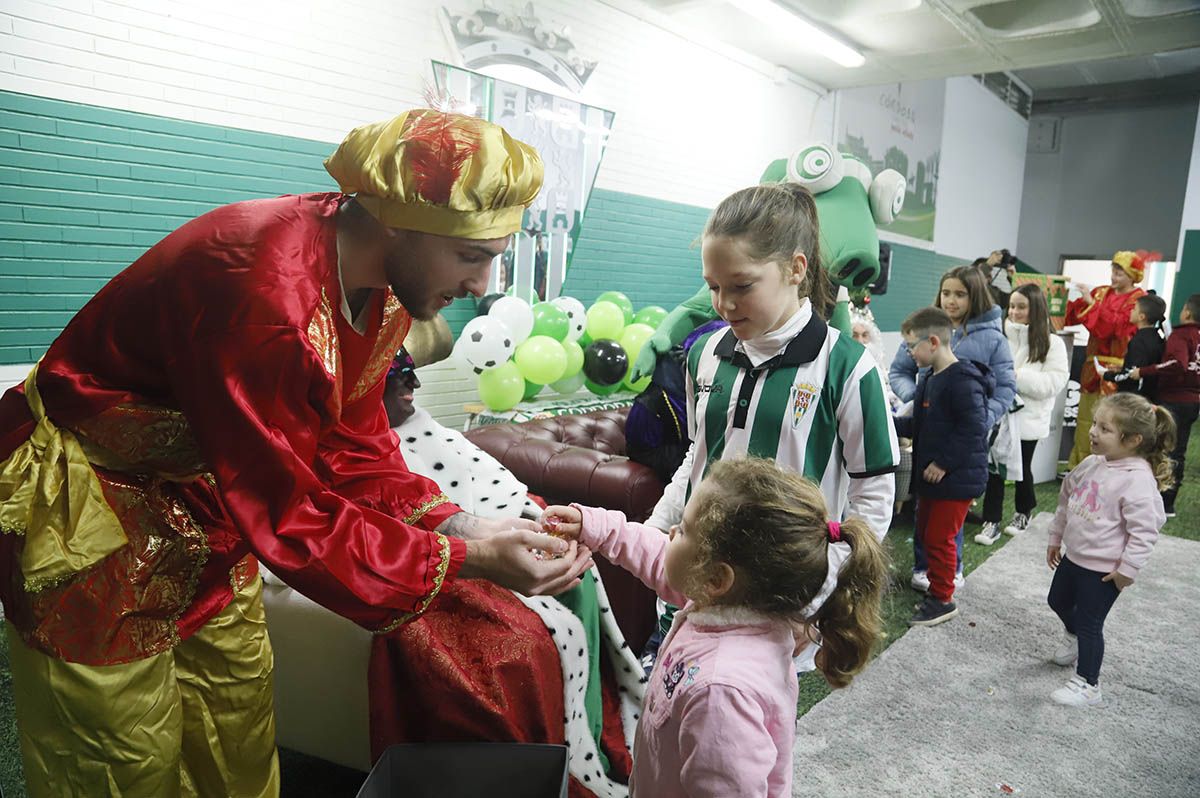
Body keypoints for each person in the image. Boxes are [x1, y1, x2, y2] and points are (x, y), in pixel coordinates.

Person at [0, 109, 599, 797]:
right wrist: (468, 561)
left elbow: (352, 441)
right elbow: (289, 510)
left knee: (235, 719)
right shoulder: (266, 293)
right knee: (117, 751)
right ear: (395, 218)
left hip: (207, 493)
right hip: (93, 503)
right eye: (472, 255)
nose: (484, 285)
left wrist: (456, 523)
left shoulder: (382, 291)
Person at [643, 183, 899, 668]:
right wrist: (653, 536)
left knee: (744, 733)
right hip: (697, 584)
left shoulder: (848, 367)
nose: (723, 304)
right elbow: (696, 459)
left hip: (782, 604)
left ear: (795, 269)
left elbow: (873, 500)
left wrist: (816, 600)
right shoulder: (703, 354)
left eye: (741, 286)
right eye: (713, 287)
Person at [540, 456, 888, 797]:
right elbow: (658, 556)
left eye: (685, 529)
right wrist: (596, 527)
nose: (672, 532)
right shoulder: (730, 602)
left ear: (717, 577)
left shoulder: (721, 695)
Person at [890, 265, 1015, 590]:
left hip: (960, 446)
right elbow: (899, 371)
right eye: (947, 292)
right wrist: (919, 401)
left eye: (960, 294)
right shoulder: (924, 332)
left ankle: (946, 580)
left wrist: (977, 419)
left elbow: (1003, 389)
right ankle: (926, 570)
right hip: (932, 435)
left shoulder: (991, 340)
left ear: (974, 295)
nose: (952, 300)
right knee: (927, 513)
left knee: (946, 519)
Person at [1045, 392, 1174, 706]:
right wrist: (1055, 537)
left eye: (1104, 429)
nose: (1093, 431)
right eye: (1096, 425)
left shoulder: (1138, 481)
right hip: (1074, 556)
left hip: (1104, 571)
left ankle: (1088, 684)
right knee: (1056, 600)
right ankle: (1073, 638)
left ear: (1132, 440)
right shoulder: (1092, 463)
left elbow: (1145, 531)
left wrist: (1127, 570)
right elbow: (1067, 500)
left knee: (1091, 622)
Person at [894, 307, 994, 626]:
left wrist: (943, 462)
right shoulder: (928, 379)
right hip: (933, 480)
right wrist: (889, 424)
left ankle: (943, 599)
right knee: (925, 533)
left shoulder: (963, 381)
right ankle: (937, 588)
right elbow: (919, 425)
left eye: (912, 345)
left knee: (939, 537)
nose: (909, 353)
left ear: (933, 341)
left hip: (955, 480)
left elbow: (974, 428)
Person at [979, 283, 1069, 541]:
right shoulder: (998, 335)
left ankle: (1023, 511)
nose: (1014, 312)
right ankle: (991, 521)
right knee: (994, 470)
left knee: (1022, 469)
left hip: (1028, 419)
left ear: (1036, 309)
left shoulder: (1053, 344)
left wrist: (1016, 377)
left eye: (1021, 307)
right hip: (998, 416)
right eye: (1012, 306)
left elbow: (1053, 383)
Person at [1063, 250, 1154, 470]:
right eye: (1113, 272)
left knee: (1111, 422)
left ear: (1133, 275)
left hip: (1116, 369)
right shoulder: (1101, 292)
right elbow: (1075, 314)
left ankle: (1107, 465)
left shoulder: (1138, 300)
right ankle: (1078, 466)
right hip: (1090, 367)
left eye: (1120, 274)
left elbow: (1116, 329)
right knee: (1086, 419)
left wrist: (1091, 305)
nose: (1114, 278)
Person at [1129, 293, 1200, 517]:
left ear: (1187, 313)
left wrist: (1144, 371)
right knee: (1177, 451)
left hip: (1173, 400)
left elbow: (1176, 364)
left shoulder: (1180, 335)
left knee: (1162, 449)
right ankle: (1167, 503)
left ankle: (1158, 500)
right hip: (1192, 401)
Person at [1106, 293, 1165, 399]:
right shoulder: (1158, 336)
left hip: (1133, 398)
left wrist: (1108, 375)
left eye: (1134, 308)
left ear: (1141, 317)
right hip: (1150, 396)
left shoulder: (1139, 340)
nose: (1131, 311)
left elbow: (1132, 374)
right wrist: (1122, 368)